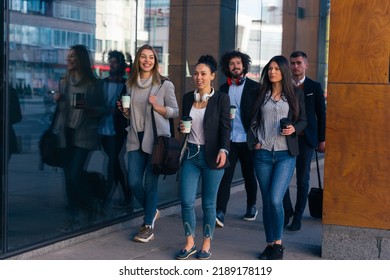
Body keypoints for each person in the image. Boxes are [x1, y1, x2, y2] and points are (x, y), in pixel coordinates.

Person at [117, 44, 179, 243]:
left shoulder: (164, 84)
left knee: (150, 184)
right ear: (138, 60)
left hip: (156, 142)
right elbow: (132, 113)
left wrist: (158, 107)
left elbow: (174, 111)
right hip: (136, 137)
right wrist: (125, 112)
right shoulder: (130, 84)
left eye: (150, 57)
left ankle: (147, 226)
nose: (147, 60)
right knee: (134, 181)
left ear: (155, 61)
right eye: (143, 57)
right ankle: (152, 211)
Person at [248, 55, 306, 260]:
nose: (272, 72)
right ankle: (269, 244)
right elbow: (251, 120)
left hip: (285, 155)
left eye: (276, 69)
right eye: (270, 69)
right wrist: (253, 140)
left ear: (284, 72)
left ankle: (278, 244)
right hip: (262, 153)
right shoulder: (259, 93)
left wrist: (293, 128)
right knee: (267, 201)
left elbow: (304, 121)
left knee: (275, 199)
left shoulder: (295, 95)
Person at [176, 55, 231, 260]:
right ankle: (189, 242)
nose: (199, 77)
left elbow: (226, 128)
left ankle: (206, 244)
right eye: (196, 73)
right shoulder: (188, 97)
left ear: (212, 76)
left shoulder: (221, 99)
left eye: (203, 74)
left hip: (213, 156)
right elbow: (184, 125)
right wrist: (182, 128)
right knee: (187, 201)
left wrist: (224, 150)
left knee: (209, 204)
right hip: (190, 154)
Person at [53, 44, 105, 231]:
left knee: (75, 173)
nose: (69, 59)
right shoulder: (64, 81)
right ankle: (73, 215)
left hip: (84, 135)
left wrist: (91, 109)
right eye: (69, 56)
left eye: (73, 56)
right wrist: (58, 100)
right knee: (67, 176)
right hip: (66, 134)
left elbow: (104, 109)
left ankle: (91, 203)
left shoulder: (93, 84)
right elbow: (62, 111)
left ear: (81, 59)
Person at [215, 50, 259, 228]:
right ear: (228, 67)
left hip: (248, 140)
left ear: (244, 66)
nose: (235, 66)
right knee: (225, 176)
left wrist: (258, 138)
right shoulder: (223, 88)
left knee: (249, 175)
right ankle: (220, 211)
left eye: (238, 63)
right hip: (230, 140)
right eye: (232, 64)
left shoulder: (255, 87)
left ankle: (251, 206)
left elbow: (260, 115)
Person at [283, 51, 326, 231]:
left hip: (306, 141)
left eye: (299, 63)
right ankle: (287, 210)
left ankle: (298, 216)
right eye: (292, 63)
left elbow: (321, 115)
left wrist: (322, 139)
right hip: (284, 139)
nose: (295, 66)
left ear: (306, 65)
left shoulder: (314, 87)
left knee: (302, 180)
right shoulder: (283, 86)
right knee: (282, 179)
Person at [98, 50, 131, 209]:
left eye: (115, 62)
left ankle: (105, 198)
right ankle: (127, 196)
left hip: (118, 129)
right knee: (115, 162)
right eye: (110, 61)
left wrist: (118, 111)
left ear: (121, 64)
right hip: (103, 128)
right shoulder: (103, 83)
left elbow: (128, 109)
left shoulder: (126, 85)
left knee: (112, 161)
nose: (111, 65)